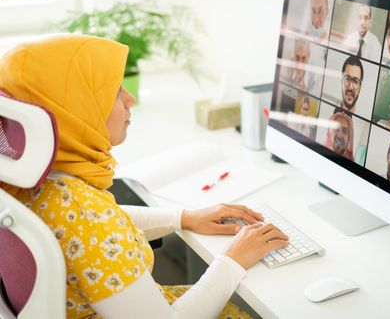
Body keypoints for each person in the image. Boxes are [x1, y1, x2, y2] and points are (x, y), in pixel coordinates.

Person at [0, 35, 289, 319]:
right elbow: (94, 225)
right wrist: (233, 260)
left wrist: (184, 218)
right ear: (73, 108)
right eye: (113, 91)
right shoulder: (86, 214)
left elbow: (97, 223)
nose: (130, 98)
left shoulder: (29, 177)